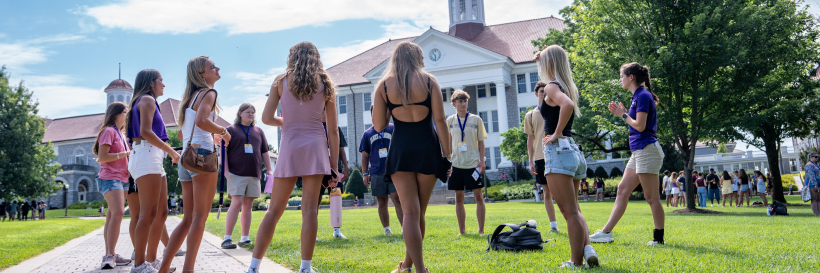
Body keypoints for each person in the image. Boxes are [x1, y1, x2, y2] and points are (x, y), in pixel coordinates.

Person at [248, 42, 339, 273]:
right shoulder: (326, 83)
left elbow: (267, 118)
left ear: (292, 57)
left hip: (289, 145)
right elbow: (334, 130)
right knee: (310, 210)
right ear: (316, 57)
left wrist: (288, 121)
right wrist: (334, 166)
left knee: (274, 210)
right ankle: (305, 267)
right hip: (316, 146)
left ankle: (253, 266)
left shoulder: (281, 82)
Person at [370, 41, 450, 273]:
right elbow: (440, 121)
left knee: (410, 213)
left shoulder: (384, 86)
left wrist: (386, 107)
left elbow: (379, 125)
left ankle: (411, 267)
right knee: (418, 213)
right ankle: (415, 268)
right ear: (415, 57)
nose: (424, 60)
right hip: (427, 148)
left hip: (400, 150)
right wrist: (448, 152)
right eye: (421, 56)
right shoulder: (429, 81)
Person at [158, 56, 230, 273]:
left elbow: (182, 132)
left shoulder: (189, 98)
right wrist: (223, 132)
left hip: (187, 158)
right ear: (201, 75)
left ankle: (163, 269)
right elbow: (201, 121)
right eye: (211, 67)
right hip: (203, 157)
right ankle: (188, 269)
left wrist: (210, 133)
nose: (217, 68)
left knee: (187, 218)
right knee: (199, 218)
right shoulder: (209, 93)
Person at [531, 45, 599, 268]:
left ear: (549, 64)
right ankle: (587, 248)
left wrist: (555, 134)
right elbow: (568, 102)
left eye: (543, 62)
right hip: (572, 150)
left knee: (569, 212)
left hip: (558, 149)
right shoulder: (567, 85)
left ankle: (575, 262)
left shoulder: (551, 87)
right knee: (575, 209)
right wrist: (542, 56)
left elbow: (566, 106)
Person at [591, 62, 666, 247]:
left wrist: (623, 115)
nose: (620, 79)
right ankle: (606, 232)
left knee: (651, 198)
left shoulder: (643, 96)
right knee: (622, 190)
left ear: (631, 76)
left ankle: (658, 239)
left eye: (622, 75)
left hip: (647, 149)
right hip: (639, 151)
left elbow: (640, 126)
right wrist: (624, 113)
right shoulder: (637, 97)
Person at [126, 68, 181, 273]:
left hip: (152, 156)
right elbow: (145, 132)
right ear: (151, 83)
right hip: (147, 155)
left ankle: (151, 260)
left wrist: (169, 151)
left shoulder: (146, 101)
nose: (163, 84)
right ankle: (139, 265)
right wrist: (171, 152)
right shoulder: (147, 100)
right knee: (147, 214)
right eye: (161, 80)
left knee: (161, 213)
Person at [221, 103, 272, 249]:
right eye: (248, 112)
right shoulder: (230, 130)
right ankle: (227, 238)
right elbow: (223, 151)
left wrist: (269, 170)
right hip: (235, 173)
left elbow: (265, 152)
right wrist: (225, 170)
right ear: (239, 113)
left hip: (254, 173)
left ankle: (245, 238)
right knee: (236, 202)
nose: (251, 114)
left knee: (248, 205)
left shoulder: (259, 131)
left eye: (253, 112)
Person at [446, 90, 488, 236]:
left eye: (465, 101)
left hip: (473, 165)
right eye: (460, 101)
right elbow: (448, 142)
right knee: (458, 197)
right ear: (454, 104)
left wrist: (482, 161)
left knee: (478, 196)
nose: (463, 104)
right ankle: (462, 231)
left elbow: (481, 142)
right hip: (456, 165)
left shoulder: (476, 119)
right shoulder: (450, 120)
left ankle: (481, 231)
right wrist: (448, 160)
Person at [360, 104, 403, 236]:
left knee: (397, 199)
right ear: (372, 114)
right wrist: (365, 173)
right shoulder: (367, 133)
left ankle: (404, 227)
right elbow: (365, 155)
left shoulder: (394, 129)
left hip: (394, 171)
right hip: (377, 172)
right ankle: (387, 229)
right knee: (382, 201)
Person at [524, 81, 559, 232]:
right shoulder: (531, 115)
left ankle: (574, 222)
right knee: (547, 191)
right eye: (541, 91)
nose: (544, 93)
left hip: (557, 153)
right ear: (536, 94)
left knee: (562, 191)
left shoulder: (556, 109)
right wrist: (530, 161)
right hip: (540, 156)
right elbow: (530, 139)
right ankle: (553, 226)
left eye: (546, 91)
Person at [317, 108, 350, 239]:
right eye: (323, 110)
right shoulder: (315, 128)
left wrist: (346, 166)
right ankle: (313, 232)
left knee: (336, 199)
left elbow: (341, 150)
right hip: (318, 169)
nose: (325, 112)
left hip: (335, 170)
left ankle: (337, 231)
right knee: (316, 200)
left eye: (327, 109)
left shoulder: (336, 128)